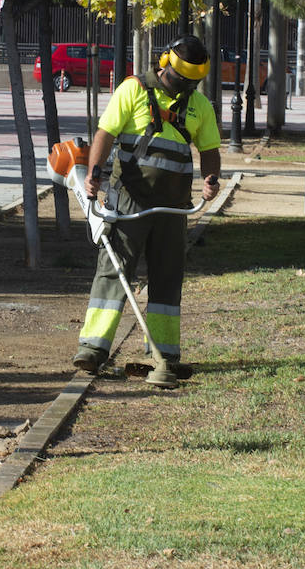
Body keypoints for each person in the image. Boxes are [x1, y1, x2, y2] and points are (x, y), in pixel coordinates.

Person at [73, 35, 222, 389]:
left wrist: (212, 180)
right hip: (130, 201)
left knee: (167, 277)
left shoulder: (200, 105)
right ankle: (93, 348)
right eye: (180, 79)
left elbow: (210, 149)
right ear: (165, 64)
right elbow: (105, 134)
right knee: (113, 272)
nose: (185, 86)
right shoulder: (134, 90)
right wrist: (95, 173)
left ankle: (164, 354)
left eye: (191, 82)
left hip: (173, 207)